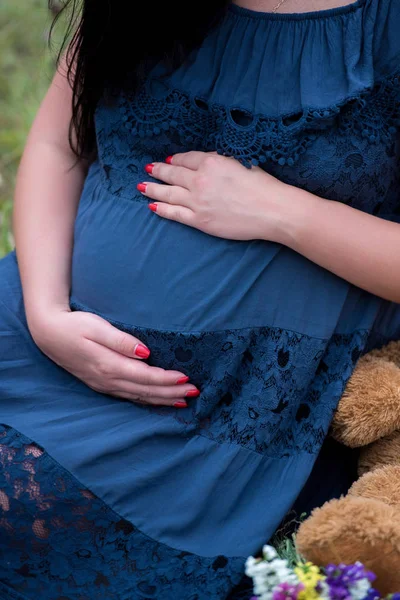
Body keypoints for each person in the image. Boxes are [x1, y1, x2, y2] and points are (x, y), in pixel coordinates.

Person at [0, 0, 400, 598]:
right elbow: (61, 147)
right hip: (38, 333)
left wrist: (284, 213)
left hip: (210, 422)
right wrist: (45, 312)